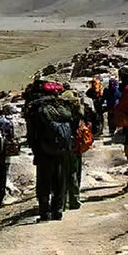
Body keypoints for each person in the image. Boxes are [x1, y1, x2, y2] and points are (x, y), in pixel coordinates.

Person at [25, 81, 83, 221]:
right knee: (60, 179)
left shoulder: (36, 108)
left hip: (44, 150)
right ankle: (58, 211)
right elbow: (75, 125)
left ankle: (45, 213)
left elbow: (33, 133)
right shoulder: (64, 106)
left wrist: (35, 148)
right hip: (63, 148)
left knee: (44, 181)